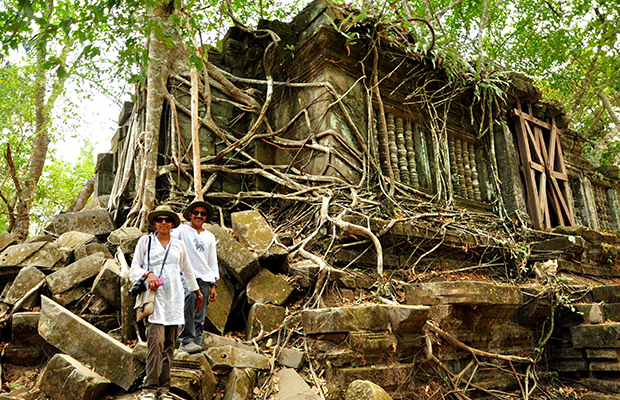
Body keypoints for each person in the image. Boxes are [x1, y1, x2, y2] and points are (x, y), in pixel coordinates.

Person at [130, 205, 203, 400]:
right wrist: (148, 273)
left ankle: (163, 390)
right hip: (154, 300)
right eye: (160, 219)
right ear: (154, 223)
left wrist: (197, 292)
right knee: (156, 343)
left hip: (175, 298)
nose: (164, 222)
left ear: (172, 224)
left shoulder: (178, 245)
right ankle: (149, 389)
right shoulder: (145, 242)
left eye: (167, 220)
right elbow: (134, 268)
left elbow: (187, 270)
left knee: (170, 345)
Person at [172, 200, 218, 354]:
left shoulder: (210, 236)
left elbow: (212, 260)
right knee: (190, 298)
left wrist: (213, 284)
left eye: (203, 214)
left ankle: (195, 344)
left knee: (200, 314)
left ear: (206, 217)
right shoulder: (181, 230)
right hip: (186, 274)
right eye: (196, 213)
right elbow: (169, 239)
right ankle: (185, 340)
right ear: (190, 214)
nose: (199, 216)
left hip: (204, 277)